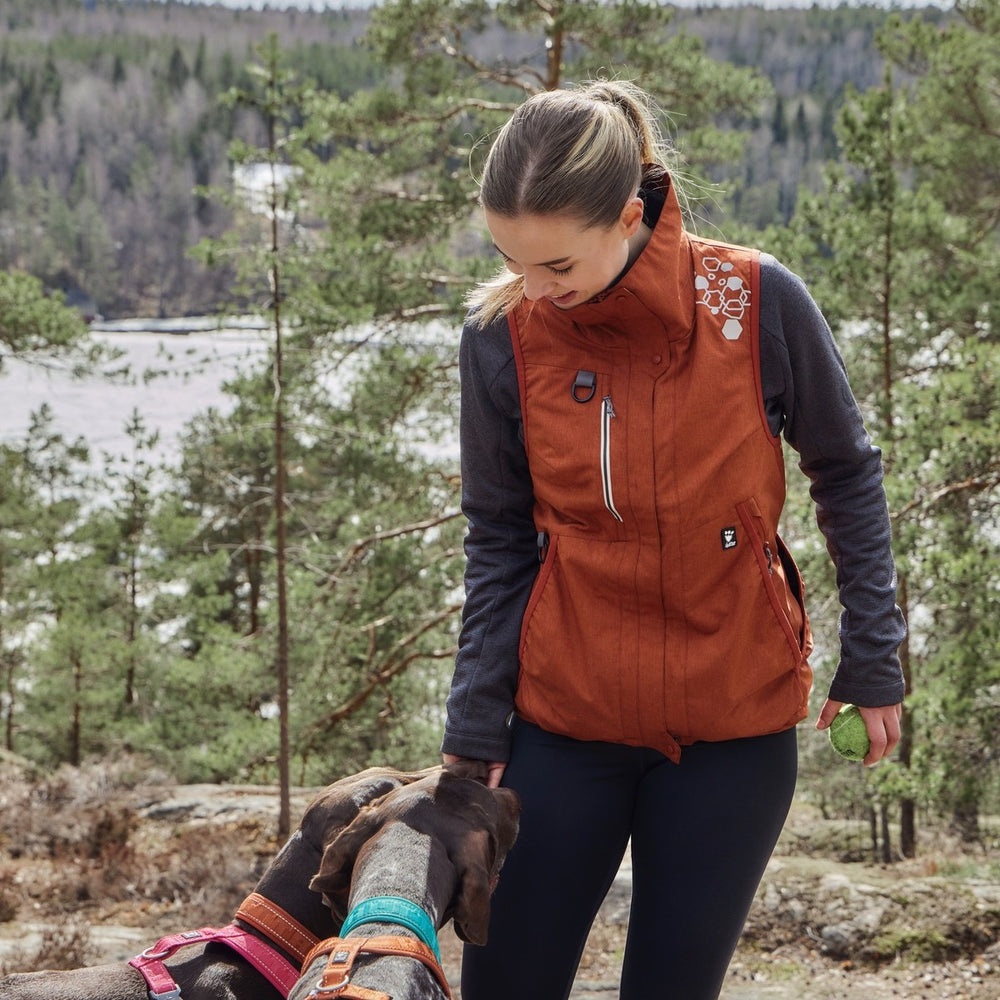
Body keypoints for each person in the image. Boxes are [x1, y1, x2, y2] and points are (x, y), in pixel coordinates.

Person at [441, 80, 905, 1000]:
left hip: (733, 724)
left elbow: (847, 472)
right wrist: (472, 727)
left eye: (558, 268)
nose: (535, 291)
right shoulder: (501, 336)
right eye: (512, 260)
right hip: (562, 723)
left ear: (626, 215)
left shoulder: (758, 300)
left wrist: (876, 658)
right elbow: (498, 539)